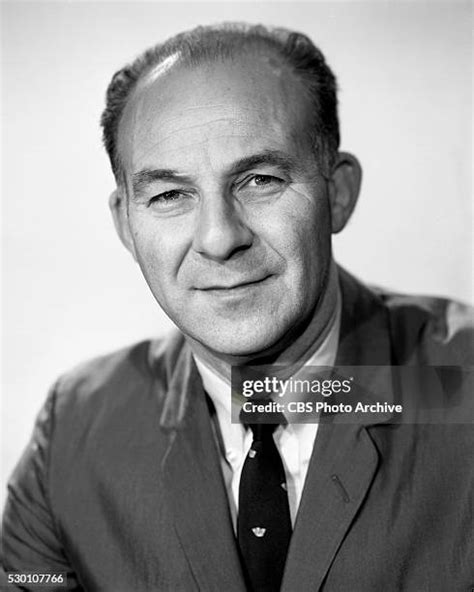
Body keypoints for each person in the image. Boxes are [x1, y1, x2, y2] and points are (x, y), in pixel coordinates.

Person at [1, 22, 473, 592]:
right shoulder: (74, 432)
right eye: (169, 195)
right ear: (126, 224)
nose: (219, 238)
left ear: (338, 192)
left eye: (259, 180)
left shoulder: (462, 383)